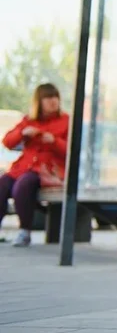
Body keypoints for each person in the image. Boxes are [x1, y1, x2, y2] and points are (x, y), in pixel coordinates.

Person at [0, 83, 70, 247]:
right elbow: (7, 141)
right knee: (2, 184)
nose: (53, 101)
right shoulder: (29, 121)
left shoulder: (66, 121)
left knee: (22, 186)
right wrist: (22, 133)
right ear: (39, 101)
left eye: (55, 97)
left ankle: (25, 231)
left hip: (47, 170)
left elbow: (71, 150)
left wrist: (54, 141)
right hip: (23, 167)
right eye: (48, 97)